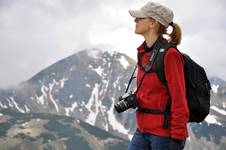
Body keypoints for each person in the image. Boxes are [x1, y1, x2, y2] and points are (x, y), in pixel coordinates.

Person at [127, 1, 189, 150]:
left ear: (153, 23)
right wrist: (136, 98)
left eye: (140, 18)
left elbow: (179, 100)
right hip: (141, 130)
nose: (136, 20)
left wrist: (178, 138)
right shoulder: (143, 52)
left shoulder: (170, 55)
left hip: (163, 135)